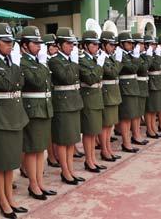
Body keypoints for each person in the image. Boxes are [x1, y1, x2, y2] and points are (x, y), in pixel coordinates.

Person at [0, 23, 29, 218]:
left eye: (11, 42)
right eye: (5, 41)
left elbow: (20, 84)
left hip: (15, 116)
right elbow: (6, 84)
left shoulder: (10, 62)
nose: (10, 45)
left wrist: (14, 66)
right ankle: (3, 200)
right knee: (0, 163)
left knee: (10, 163)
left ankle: (10, 197)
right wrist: (16, 67)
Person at [20, 26, 57, 200]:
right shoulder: (23, 61)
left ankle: (40, 182)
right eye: (34, 43)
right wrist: (42, 64)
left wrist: (41, 63)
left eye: (39, 43)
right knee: (32, 149)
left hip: (43, 107)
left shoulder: (36, 61)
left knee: (40, 149)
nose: (39, 46)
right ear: (25, 45)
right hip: (32, 109)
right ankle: (33, 184)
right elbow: (36, 81)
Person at [48, 27, 84, 185]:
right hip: (62, 104)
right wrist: (74, 64)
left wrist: (73, 63)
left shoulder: (69, 60)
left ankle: (70, 170)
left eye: (72, 44)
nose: (71, 47)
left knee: (71, 140)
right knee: (63, 141)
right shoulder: (55, 60)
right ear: (60, 45)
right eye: (68, 44)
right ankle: (65, 171)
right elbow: (67, 78)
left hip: (73, 102)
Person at [79, 30, 105, 172]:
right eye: (93, 44)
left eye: (97, 44)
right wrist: (99, 66)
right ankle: (88, 160)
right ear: (85, 46)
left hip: (96, 97)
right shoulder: (83, 60)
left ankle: (93, 159)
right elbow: (90, 79)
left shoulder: (93, 59)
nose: (96, 47)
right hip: (88, 98)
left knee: (94, 131)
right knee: (89, 132)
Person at [98, 31, 122, 161]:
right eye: (111, 45)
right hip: (106, 93)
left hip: (113, 93)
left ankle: (108, 148)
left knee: (110, 124)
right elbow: (113, 72)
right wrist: (118, 61)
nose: (113, 47)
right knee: (105, 125)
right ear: (104, 45)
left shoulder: (110, 57)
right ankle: (104, 150)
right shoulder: (102, 57)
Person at [116, 32, 140, 153]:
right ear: (121, 44)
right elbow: (133, 68)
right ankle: (126, 143)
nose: (131, 45)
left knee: (131, 116)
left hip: (131, 87)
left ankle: (129, 140)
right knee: (125, 118)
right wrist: (136, 57)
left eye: (132, 43)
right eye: (128, 43)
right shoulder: (122, 56)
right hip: (126, 89)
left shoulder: (128, 55)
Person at [42, 34, 61, 168]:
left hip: (55, 95)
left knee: (55, 128)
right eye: (53, 46)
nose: (56, 48)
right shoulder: (44, 60)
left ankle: (55, 153)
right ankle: (51, 155)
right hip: (47, 96)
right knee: (48, 130)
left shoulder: (54, 59)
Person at [145, 36, 161, 139]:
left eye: (154, 44)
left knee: (154, 109)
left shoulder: (152, 54)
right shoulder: (147, 55)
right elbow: (155, 66)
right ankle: (149, 129)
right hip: (151, 83)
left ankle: (153, 128)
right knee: (150, 108)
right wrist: (156, 56)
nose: (154, 46)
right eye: (152, 44)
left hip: (156, 82)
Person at [130, 33, 150, 145]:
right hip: (136, 85)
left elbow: (146, 66)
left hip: (140, 86)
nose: (144, 46)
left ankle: (137, 134)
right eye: (141, 43)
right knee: (136, 113)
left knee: (139, 112)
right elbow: (142, 68)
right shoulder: (134, 56)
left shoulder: (140, 55)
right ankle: (135, 135)